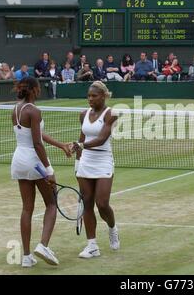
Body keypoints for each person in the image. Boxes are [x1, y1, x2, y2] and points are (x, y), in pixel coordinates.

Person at [11, 77, 72, 267]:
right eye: (38, 89)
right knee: (52, 203)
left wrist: (60, 144)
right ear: (34, 90)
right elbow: (37, 143)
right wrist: (49, 170)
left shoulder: (15, 109)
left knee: (26, 208)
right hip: (34, 161)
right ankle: (43, 245)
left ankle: (27, 257)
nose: (39, 91)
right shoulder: (35, 111)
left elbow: (35, 134)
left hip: (19, 161)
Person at [73, 81, 120, 258]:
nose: (90, 99)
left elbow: (101, 139)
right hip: (85, 162)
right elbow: (82, 136)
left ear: (103, 96)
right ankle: (92, 246)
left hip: (103, 160)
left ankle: (112, 227)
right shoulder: (83, 114)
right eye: (88, 96)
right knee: (87, 203)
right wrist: (78, 162)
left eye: (94, 96)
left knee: (102, 204)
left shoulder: (111, 114)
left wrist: (81, 145)